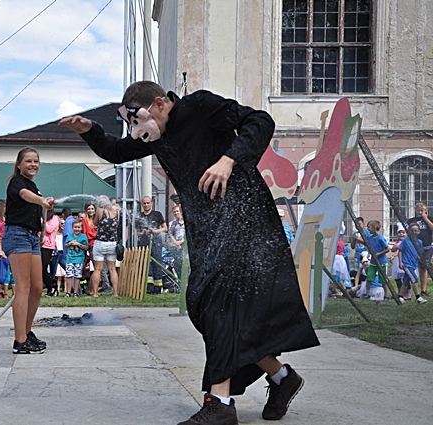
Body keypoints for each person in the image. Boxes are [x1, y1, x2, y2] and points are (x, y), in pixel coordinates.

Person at [60, 80, 319, 424]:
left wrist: (228, 160)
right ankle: (282, 377)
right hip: (207, 229)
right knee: (206, 306)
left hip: (243, 218)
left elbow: (260, 121)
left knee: (218, 303)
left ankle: (220, 403)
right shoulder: (160, 137)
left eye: (137, 121)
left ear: (158, 104)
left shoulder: (198, 106)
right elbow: (118, 151)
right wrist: (91, 130)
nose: (135, 131)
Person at [3, 147, 52, 354]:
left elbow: (33, 203)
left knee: (37, 287)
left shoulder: (34, 186)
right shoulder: (18, 183)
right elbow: (24, 195)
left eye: (36, 161)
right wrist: (41, 201)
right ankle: (19, 340)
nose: (33, 164)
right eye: (28, 161)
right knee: (22, 288)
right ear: (19, 164)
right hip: (17, 236)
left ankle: (27, 332)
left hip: (32, 238)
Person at [137, 195, 168, 294]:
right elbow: (138, 232)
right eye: (144, 203)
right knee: (145, 264)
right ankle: (149, 288)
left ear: (151, 203)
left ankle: (158, 288)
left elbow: (165, 228)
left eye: (148, 203)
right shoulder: (139, 216)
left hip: (156, 241)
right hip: (144, 241)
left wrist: (155, 231)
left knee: (157, 263)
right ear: (142, 204)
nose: (146, 205)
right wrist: (143, 232)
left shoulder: (157, 214)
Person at [91, 195, 119, 297]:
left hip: (101, 242)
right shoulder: (116, 211)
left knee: (98, 269)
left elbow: (94, 223)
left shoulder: (100, 210)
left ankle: (95, 293)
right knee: (112, 269)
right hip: (112, 243)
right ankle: (115, 293)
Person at [398, 223, 429, 304]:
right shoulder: (405, 240)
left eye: (415, 230)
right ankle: (418, 297)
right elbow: (400, 251)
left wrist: (421, 259)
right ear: (409, 231)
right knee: (414, 279)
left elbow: (419, 253)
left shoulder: (419, 242)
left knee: (406, 281)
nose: (413, 232)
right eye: (412, 230)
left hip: (413, 264)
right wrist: (400, 262)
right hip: (406, 264)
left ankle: (400, 296)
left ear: (419, 232)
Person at [407, 203, 433, 296]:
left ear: (426, 210)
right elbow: (408, 232)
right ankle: (410, 290)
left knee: (424, 267)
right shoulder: (412, 220)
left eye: (422, 210)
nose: (420, 212)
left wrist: (425, 218)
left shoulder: (429, 218)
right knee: (412, 266)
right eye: (419, 210)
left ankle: (423, 290)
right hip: (415, 246)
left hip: (427, 246)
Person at [365, 220, 390, 297]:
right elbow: (370, 247)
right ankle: (367, 293)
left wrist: (379, 253)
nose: (368, 229)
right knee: (369, 277)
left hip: (381, 261)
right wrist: (369, 254)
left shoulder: (380, 238)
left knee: (382, 278)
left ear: (374, 228)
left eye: (369, 227)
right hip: (373, 261)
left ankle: (386, 293)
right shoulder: (370, 238)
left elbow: (387, 249)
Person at [65, 220, 88, 297]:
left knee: (77, 276)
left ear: (81, 228)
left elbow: (86, 247)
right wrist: (70, 243)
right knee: (69, 275)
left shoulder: (83, 236)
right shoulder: (70, 236)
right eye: (75, 227)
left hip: (79, 259)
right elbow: (65, 245)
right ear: (72, 228)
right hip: (70, 258)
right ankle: (68, 292)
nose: (77, 229)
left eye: (78, 227)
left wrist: (78, 244)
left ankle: (75, 292)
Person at [41, 209, 60, 296]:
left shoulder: (55, 218)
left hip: (48, 246)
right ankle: (50, 287)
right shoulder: (41, 216)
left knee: (43, 268)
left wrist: (43, 221)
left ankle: (52, 286)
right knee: (40, 268)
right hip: (39, 245)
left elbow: (49, 229)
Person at [167, 204, 186, 278]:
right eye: (174, 212)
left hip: (184, 244)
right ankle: (179, 280)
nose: (176, 213)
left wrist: (181, 242)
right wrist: (175, 243)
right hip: (176, 246)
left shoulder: (185, 222)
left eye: (177, 211)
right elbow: (170, 234)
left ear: (180, 212)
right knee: (177, 264)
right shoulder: (172, 223)